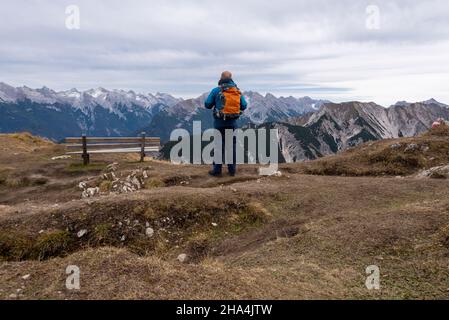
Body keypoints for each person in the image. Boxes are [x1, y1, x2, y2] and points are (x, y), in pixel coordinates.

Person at [204, 71, 247, 176]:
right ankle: (232, 171)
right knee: (231, 146)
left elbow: (207, 104)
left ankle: (217, 170)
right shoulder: (236, 91)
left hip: (219, 124)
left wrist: (217, 102)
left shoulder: (216, 91)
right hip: (232, 123)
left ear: (220, 78)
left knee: (219, 146)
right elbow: (244, 105)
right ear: (231, 78)